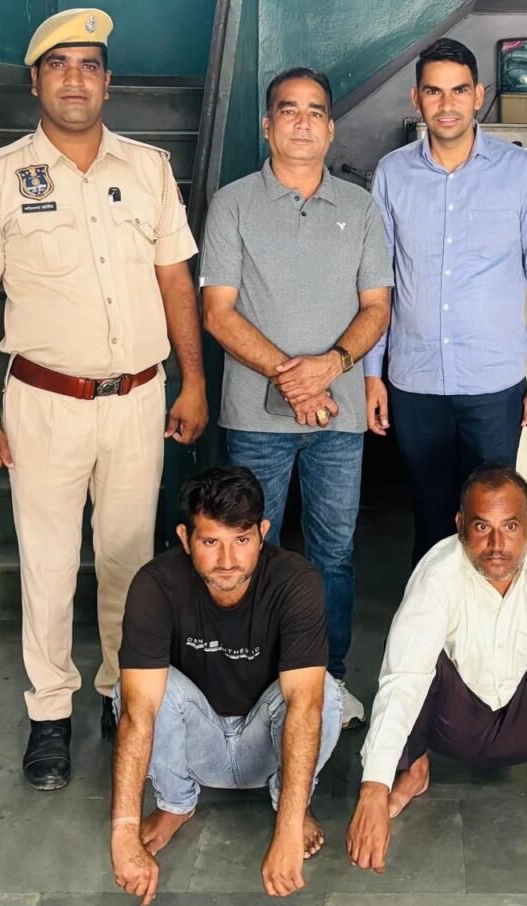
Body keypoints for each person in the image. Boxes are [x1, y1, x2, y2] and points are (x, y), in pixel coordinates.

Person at [0, 7, 208, 791]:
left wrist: (194, 379)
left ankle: (119, 694)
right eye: (58, 65)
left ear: (107, 82)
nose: (75, 79)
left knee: (130, 559)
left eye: (89, 65)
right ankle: (50, 713)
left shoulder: (150, 169)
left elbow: (175, 280)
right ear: (36, 82)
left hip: (138, 397)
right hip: (44, 402)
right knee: (50, 563)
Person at [200, 67, 393, 730]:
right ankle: (253, 685)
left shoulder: (360, 208)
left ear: (331, 128)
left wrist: (330, 366)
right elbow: (218, 312)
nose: (302, 122)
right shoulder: (232, 204)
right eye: (289, 110)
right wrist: (294, 377)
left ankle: (328, 684)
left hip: (340, 417)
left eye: (315, 111)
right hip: (256, 419)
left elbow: (377, 307)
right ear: (267, 124)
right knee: (249, 549)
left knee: (333, 554)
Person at [346, 465, 527, 876]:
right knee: (409, 649)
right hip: (455, 722)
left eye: (511, 527)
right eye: (482, 527)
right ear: (460, 526)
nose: (497, 545)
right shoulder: (437, 572)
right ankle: (414, 769)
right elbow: (404, 679)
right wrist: (373, 789)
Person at [363, 38, 527, 566]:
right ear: (416, 98)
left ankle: (493, 618)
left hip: (493, 384)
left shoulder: (519, 170)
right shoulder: (392, 173)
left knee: (493, 523)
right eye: (434, 91)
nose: (446, 104)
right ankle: (435, 621)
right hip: (415, 382)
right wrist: (372, 373)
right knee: (431, 522)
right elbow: (378, 283)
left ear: (479, 95)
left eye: (458, 91)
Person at [109, 466, 341, 905]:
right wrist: (123, 831)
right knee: (134, 689)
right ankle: (175, 803)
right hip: (199, 743)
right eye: (211, 542)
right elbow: (138, 714)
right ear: (185, 538)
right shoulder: (156, 584)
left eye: (242, 540)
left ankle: (291, 808)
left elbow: (305, 705)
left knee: (323, 691)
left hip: (266, 745)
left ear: (263, 534)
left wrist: (287, 833)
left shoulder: (296, 580)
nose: (228, 560)